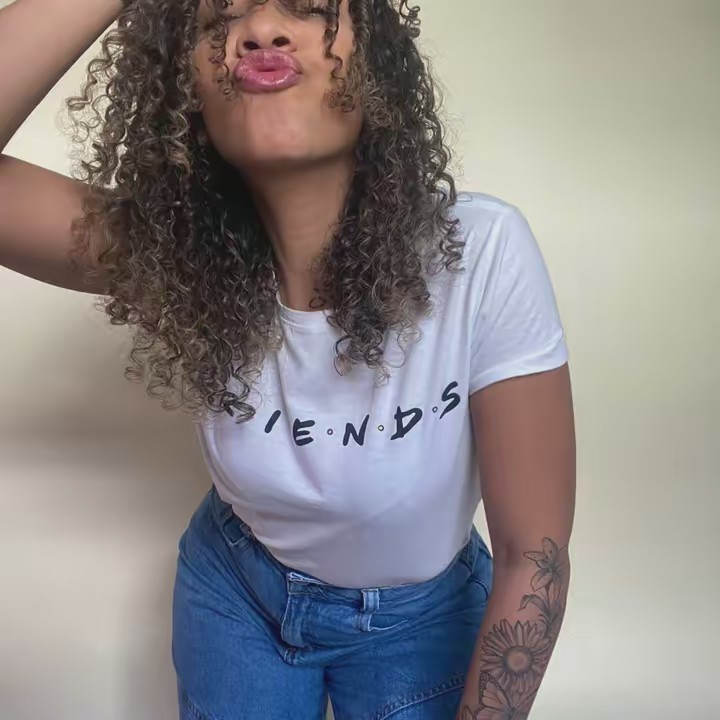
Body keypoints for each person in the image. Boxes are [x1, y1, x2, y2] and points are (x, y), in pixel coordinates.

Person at [0, 0, 576, 718]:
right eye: (219, 19)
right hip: (237, 591)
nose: (261, 31)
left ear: (376, 66)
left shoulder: (478, 251)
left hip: (420, 620)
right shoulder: (179, 255)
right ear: (186, 95)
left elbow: (533, 557)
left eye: (308, 8)